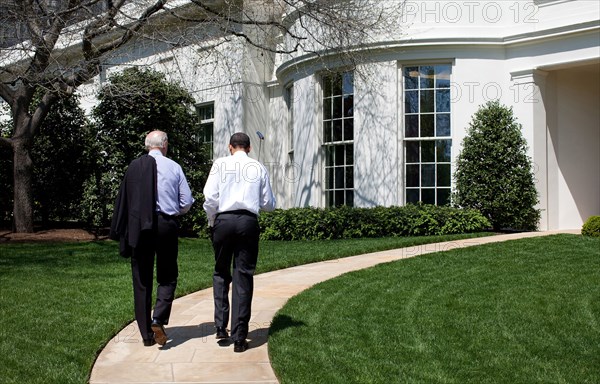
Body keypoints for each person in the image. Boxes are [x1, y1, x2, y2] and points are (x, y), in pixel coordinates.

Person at [110, 130, 194, 347]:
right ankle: (158, 317)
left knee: (141, 279)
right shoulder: (174, 167)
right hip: (166, 225)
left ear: (147, 146)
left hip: (140, 227)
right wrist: (174, 210)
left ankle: (146, 335)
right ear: (164, 145)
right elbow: (186, 202)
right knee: (168, 275)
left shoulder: (134, 167)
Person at [203, 132, 276, 352]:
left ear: (230, 147)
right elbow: (268, 204)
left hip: (223, 221)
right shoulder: (257, 167)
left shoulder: (220, 164)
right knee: (243, 275)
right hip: (247, 222)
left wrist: (212, 220)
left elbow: (210, 198)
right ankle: (240, 336)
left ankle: (220, 326)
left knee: (220, 272)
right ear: (249, 148)